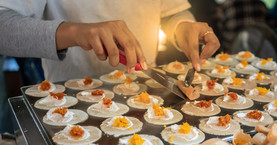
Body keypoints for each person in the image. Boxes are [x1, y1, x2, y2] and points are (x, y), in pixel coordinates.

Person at [0, 1, 220, 82]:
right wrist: (76, 32)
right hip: (70, 99)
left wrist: (182, 26)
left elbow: (171, 13)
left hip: (142, 88)